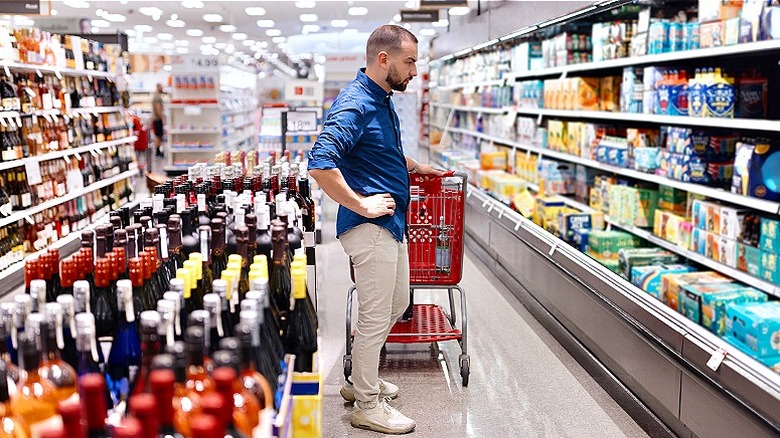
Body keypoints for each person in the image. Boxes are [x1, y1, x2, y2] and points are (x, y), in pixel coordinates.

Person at [308, 25, 442, 435]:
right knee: (374, 314)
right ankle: (367, 402)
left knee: (396, 302)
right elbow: (320, 161)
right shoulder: (355, 103)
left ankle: (359, 380)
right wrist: (361, 203)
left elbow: (379, 149)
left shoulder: (378, 97)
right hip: (369, 227)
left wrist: (414, 167)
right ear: (383, 60)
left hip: (390, 223)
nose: (415, 71)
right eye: (410, 61)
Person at [152, 83, 165, 158]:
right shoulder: (157, 97)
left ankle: (158, 151)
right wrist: (161, 117)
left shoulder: (156, 96)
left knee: (159, 135)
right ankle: (157, 151)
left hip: (156, 118)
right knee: (158, 135)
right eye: (161, 87)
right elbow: (158, 108)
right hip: (157, 119)